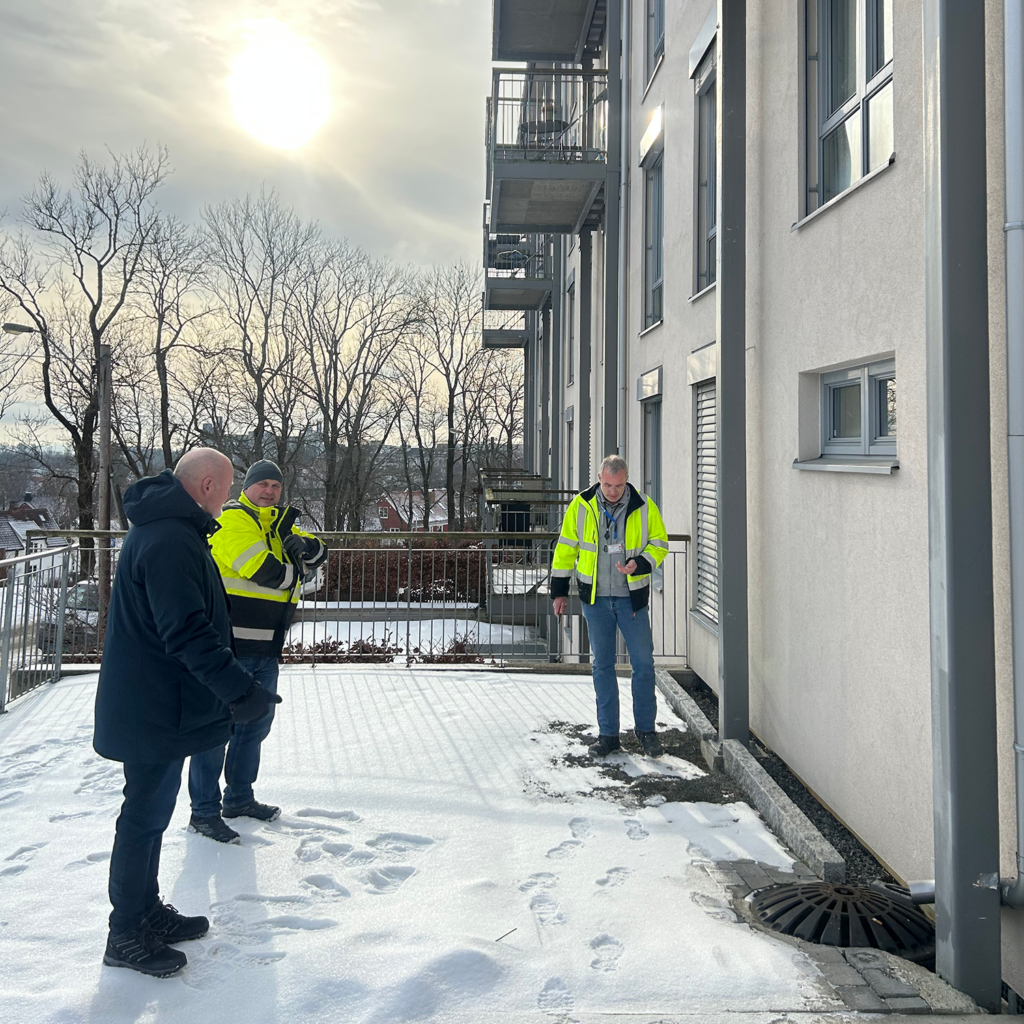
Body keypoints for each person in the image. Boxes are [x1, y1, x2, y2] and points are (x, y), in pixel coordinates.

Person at [94, 449, 282, 978]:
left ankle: (145, 910)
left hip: (160, 703)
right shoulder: (170, 539)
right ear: (204, 484)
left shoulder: (172, 531)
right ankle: (126, 931)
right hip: (150, 705)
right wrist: (236, 688)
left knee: (152, 813)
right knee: (143, 817)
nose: (226, 500)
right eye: (224, 489)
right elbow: (185, 629)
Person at [188, 460, 327, 843]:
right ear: (246, 487)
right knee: (218, 729)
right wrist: (301, 568)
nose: (269, 491)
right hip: (230, 647)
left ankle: (239, 799)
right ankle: (203, 812)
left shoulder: (276, 522)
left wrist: (306, 549)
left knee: (255, 726)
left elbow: (320, 551)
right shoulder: (233, 521)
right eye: (262, 484)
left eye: (276, 486)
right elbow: (263, 570)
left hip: (266, 647)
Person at [551, 455, 669, 759]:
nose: (612, 491)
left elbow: (660, 542)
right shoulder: (581, 504)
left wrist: (640, 563)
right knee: (601, 666)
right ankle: (608, 735)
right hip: (596, 600)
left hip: (632, 600)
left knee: (643, 665)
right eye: (607, 485)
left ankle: (646, 732)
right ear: (599, 479)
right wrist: (559, 592)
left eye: (618, 485)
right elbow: (565, 550)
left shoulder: (644, 505)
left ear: (626, 480)